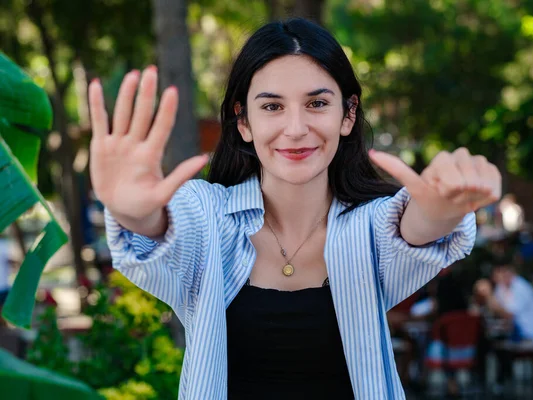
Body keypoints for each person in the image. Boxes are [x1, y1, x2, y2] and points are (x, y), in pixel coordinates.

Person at [89, 18, 501, 400]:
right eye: (272, 106)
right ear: (244, 122)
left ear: (348, 114)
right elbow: (161, 224)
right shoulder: (209, 216)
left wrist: (447, 207)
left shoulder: (368, 226)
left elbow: (417, 225)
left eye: (317, 103)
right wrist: (131, 211)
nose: (296, 128)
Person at [474, 256, 533, 399]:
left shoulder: (520, 287)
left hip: (530, 334)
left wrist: (489, 296)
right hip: (511, 333)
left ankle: (500, 384)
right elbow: (495, 312)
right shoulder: (502, 287)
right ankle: (493, 383)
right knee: (484, 343)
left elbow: (507, 314)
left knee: (493, 345)